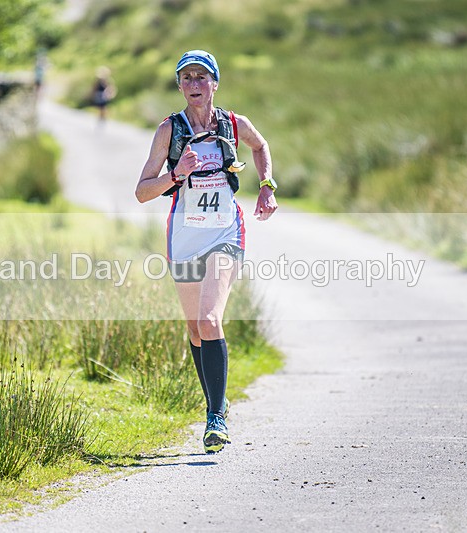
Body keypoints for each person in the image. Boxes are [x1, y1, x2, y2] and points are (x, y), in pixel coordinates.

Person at [135, 50, 278, 453]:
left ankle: (216, 418)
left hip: (225, 235)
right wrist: (176, 174)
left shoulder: (234, 124)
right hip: (183, 237)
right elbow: (143, 192)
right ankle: (216, 401)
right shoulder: (170, 130)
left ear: (215, 83)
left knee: (210, 319)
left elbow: (261, 145)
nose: (194, 85)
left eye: (202, 77)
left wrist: (267, 185)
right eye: (186, 78)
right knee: (195, 329)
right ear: (179, 85)